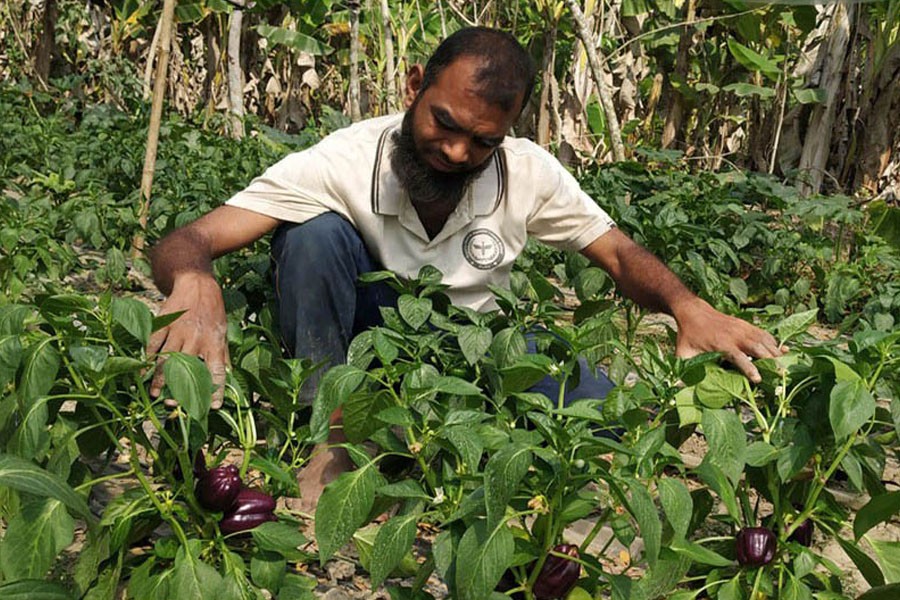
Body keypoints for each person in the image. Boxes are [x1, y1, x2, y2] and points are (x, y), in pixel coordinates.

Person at [148, 27, 785, 513]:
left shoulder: (527, 171)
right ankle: (329, 434)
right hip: (361, 339)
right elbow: (193, 237)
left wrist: (687, 305)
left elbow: (617, 253)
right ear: (414, 86)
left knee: (610, 423)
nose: (456, 152)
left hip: (473, 347)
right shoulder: (341, 161)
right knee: (313, 235)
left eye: (482, 141)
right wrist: (196, 281)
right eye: (444, 123)